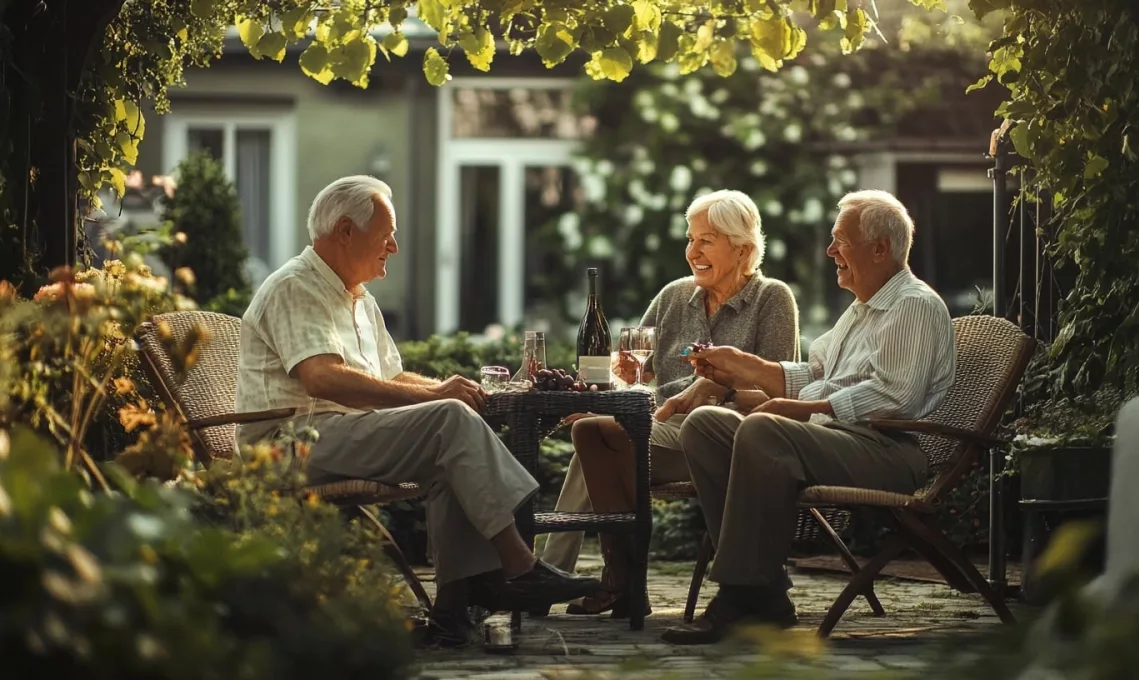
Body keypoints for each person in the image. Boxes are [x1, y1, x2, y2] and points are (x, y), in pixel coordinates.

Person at [234, 176, 599, 647]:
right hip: (289, 442)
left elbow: (392, 377)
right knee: (447, 423)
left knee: (450, 449)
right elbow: (321, 378)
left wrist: (446, 388)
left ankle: (453, 608)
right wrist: (438, 400)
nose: (395, 247)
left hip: (338, 432)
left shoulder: (359, 299)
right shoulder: (294, 287)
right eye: (386, 233)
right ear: (345, 231)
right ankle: (518, 566)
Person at [660, 189, 955, 644]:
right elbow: (815, 373)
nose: (830, 251)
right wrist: (742, 366)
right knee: (706, 426)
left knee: (763, 427)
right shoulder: (861, 310)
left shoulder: (912, 305)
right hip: (838, 440)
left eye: (841, 241)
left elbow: (895, 397)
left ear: (880, 248)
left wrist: (800, 408)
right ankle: (768, 591)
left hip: (887, 451)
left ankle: (739, 594)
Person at [538, 189, 800, 617]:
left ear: (742, 248)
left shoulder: (773, 299)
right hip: (655, 427)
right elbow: (632, 368)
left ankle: (602, 579)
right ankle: (615, 578)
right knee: (589, 428)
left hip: (722, 437)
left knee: (597, 437)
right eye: (690, 238)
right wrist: (613, 383)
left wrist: (717, 389)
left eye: (706, 240)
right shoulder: (675, 295)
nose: (692, 251)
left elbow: (777, 392)